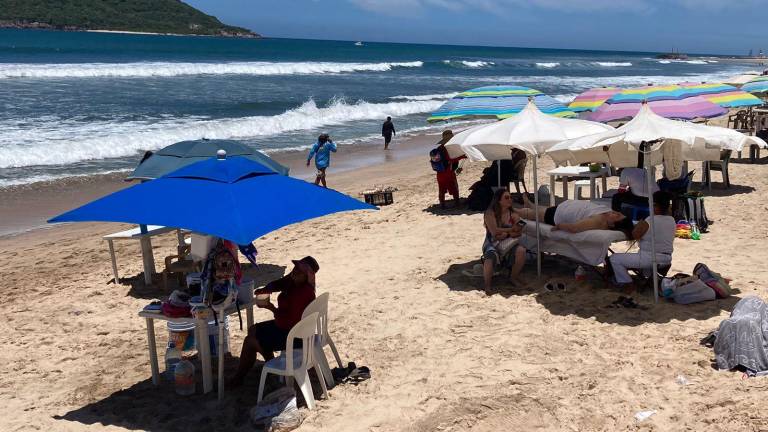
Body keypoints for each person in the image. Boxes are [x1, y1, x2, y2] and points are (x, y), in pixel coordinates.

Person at [228, 256, 319, 387]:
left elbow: (285, 321)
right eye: (295, 268)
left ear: (307, 276)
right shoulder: (294, 281)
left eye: (299, 271)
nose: (294, 272)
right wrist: (266, 289)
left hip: (294, 335)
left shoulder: (303, 293)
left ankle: (239, 378)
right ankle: (270, 362)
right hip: (292, 328)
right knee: (253, 329)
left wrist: (270, 307)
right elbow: (281, 283)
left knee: (250, 341)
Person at [607, 191, 675, 289]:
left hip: (650, 259)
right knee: (642, 266)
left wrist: (639, 224)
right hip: (666, 259)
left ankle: (626, 282)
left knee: (614, 259)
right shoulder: (672, 220)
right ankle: (646, 279)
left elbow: (635, 235)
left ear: (655, 205)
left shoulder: (649, 220)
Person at [516, 195, 633, 236]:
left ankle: (513, 211)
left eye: (617, 216)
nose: (617, 212)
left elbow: (575, 228)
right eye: (619, 213)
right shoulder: (607, 215)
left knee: (530, 214)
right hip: (565, 208)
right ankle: (531, 204)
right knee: (543, 209)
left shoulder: (598, 221)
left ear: (612, 224)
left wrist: (560, 226)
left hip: (558, 215)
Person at [482, 189, 527, 292]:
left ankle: (513, 277)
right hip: (491, 242)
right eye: (506, 197)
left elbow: (519, 232)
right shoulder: (490, 213)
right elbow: (494, 231)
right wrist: (511, 230)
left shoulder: (513, 214)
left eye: (510, 197)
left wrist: (506, 233)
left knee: (521, 251)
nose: (510, 199)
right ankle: (487, 285)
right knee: (490, 256)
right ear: (499, 200)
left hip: (508, 242)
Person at [434, 130, 466, 208]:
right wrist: (462, 156)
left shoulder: (438, 149)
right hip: (449, 173)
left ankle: (442, 205)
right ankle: (457, 203)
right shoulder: (448, 149)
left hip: (440, 173)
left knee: (441, 189)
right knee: (454, 188)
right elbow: (451, 160)